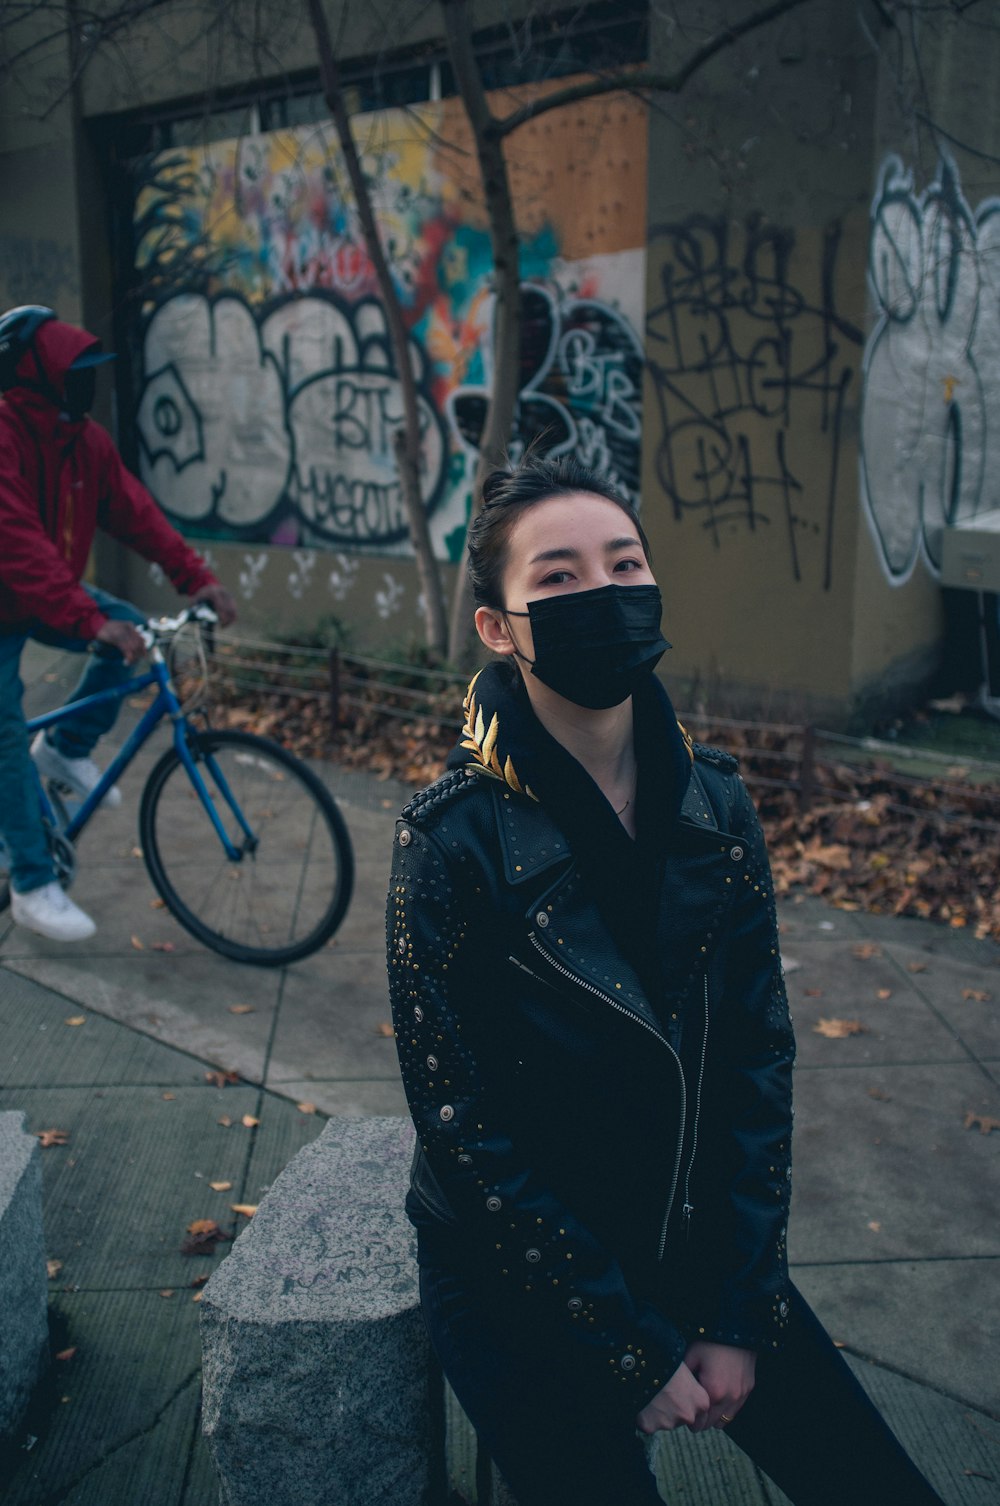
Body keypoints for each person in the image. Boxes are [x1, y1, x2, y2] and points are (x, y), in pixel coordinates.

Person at [386, 454, 946, 1506]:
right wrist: (624, 1344)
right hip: (521, 1280)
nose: (600, 592)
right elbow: (463, 1132)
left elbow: (754, 1059)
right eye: (556, 577)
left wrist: (736, 1312)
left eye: (623, 562)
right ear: (497, 628)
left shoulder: (715, 808)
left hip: (689, 1239)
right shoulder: (448, 845)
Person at [0, 305, 236, 943]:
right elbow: (14, 539)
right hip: (11, 595)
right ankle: (31, 883)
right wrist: (83, 617)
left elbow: (136, 513)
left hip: (35, 596)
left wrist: (196, 577)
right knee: (4, 734)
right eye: (73, 370)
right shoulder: (5, 434)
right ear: (35, 374)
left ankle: (64, 748)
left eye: (90, 371)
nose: (87, 383)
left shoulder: (82, 440)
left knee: (128, 625)